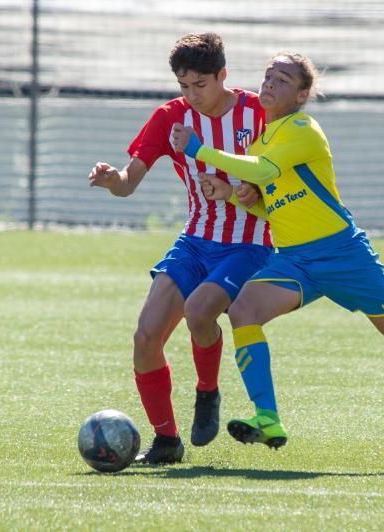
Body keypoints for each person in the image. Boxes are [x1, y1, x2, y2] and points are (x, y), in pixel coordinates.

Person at [171, 52, 384, 457]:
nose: (270, 84)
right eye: (267, 76)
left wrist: (199, 149)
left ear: (301, 94)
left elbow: (262, 171)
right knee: (243, 310)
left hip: (345, 255)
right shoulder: (263, 139)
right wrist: (236, 197)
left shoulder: (303, 128)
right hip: (295, 260)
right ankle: (268, 418)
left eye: (282, 79)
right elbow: (276, 203)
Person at [87, 33, 272, 463]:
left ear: (223, 75)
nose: (191, 96)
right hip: (194, 239)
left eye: (200, 86)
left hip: (248, 243)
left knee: (198, 312)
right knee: (146, 336)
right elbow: (129, 183)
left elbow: (279, 183)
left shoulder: (257, 112)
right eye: (183, 86)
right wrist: (114, 178)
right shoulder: (170, 117)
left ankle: (207, 392)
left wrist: (238, 192)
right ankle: (167, 441)